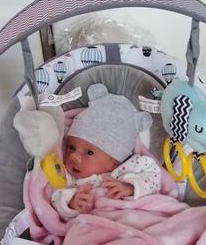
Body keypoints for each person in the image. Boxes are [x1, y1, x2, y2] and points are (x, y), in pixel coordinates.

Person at [50, 83, 163, 219]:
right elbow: (55, 198)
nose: (74, 156)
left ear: (114, 162)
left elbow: (155, 177)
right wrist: (71, 203)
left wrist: (132, 188)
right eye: (71, 147)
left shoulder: (129, 168)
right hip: (93, 224)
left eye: (89, 152)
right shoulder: (67, 178)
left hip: (129, 219)